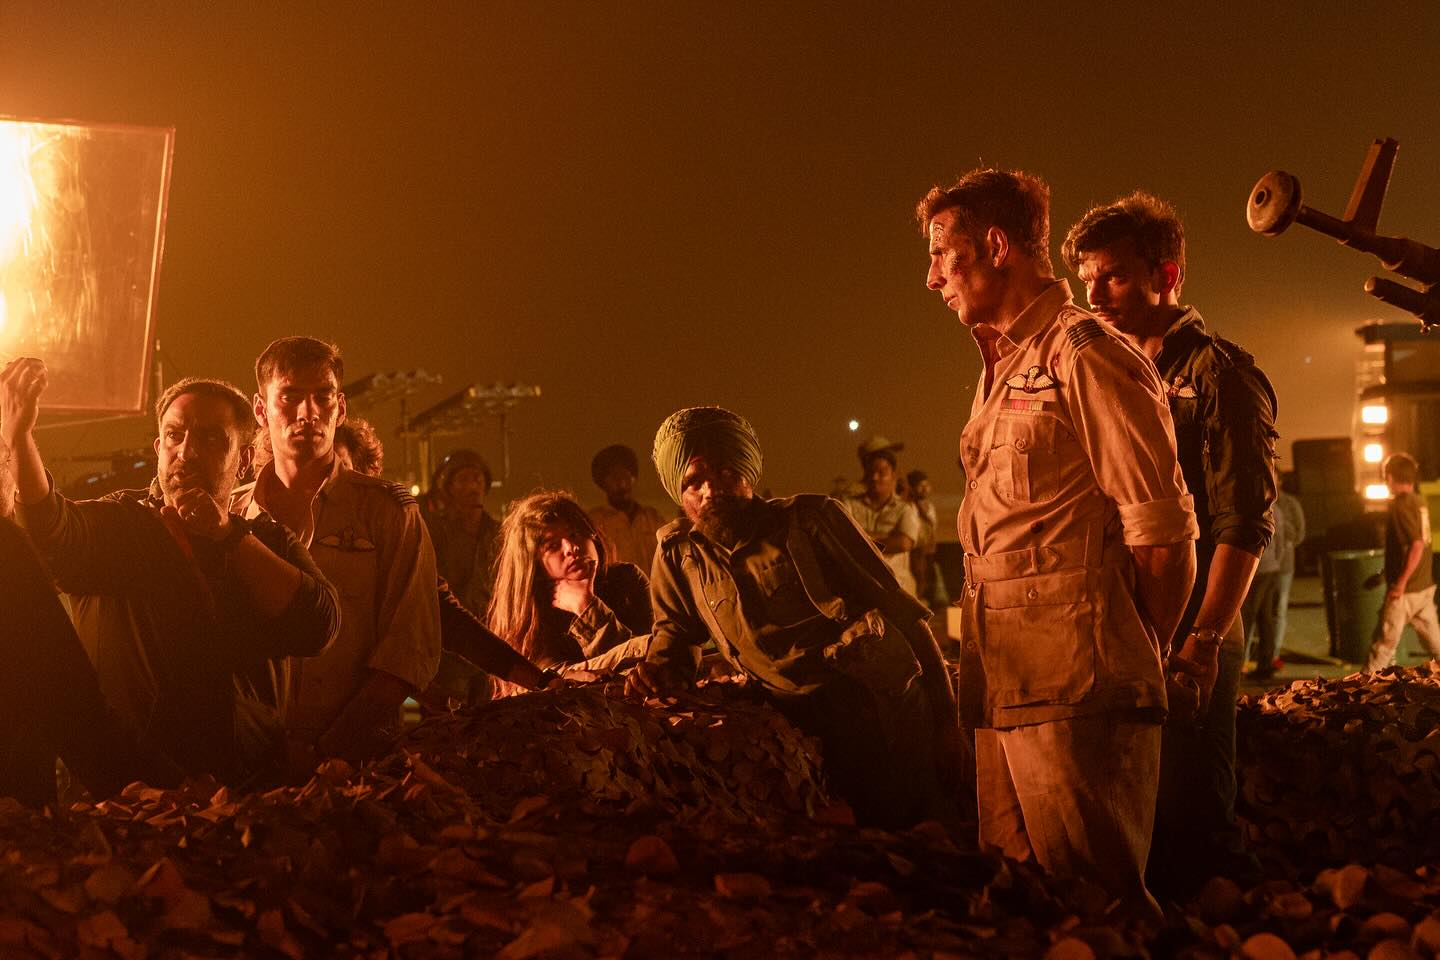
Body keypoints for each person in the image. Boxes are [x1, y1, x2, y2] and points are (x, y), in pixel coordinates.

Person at [919, 170, 1198, 910]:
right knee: (1024, 903)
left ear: (996, 246)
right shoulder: (1004, 366)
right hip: (1005, 680)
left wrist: (1134, 651)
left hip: (1078, 685)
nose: (932, 278)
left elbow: (1163, 533)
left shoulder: (1086, 356)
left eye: (943, 256)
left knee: (1097, 905)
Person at [1063, 191, 1278, 896]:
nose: (1095, 294)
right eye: (1087, 278)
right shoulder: (1103, 370)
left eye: (1115, 276)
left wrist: (1204, 642)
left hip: (1195, 620)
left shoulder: (1221, 376)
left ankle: (1238, 926)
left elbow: (1244, 521)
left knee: (1195, 811)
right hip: (1120, 618)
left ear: (1168, 275)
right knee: (1133, 807)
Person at [1, 358, 339, 795]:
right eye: (175, 436)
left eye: (210, 438)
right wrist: (20, 436)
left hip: (247, 798)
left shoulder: (266, 540)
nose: (187, 452)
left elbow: (318, 624)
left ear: (243, 460)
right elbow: (52, 530)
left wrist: (228, 536)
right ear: (158, 448)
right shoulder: (122, 525)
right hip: (130, 798)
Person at [628, 406, 960, 831]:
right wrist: (653, 676)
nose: (710, 490)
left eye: (725, 471)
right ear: (680, 491)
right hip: (796, 733)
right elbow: (674, 642)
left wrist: (947, 724)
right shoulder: (679, 555)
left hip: (880, 715)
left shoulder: (811, 521)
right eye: (693, 481)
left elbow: (906, 615)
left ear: (748, 473)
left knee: (918, 836)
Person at [232, 337, 440, 766]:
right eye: (290, 396)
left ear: (340, 408)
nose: (307, 412)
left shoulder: (387, 513)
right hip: (245, 759)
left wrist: (326, 751)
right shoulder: (231, 514)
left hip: (359, 764)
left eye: (322, 396)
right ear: (261, 410)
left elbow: (408, 652)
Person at [329, 419, 562, 701]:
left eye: (339, 465)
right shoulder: (283, 537)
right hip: (302, 715)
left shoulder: (392, 541)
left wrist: (538, 679)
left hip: (459, 662)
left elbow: (442, 613)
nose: (325, 477)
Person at [490, 491, 652, 672]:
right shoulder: (532, 615)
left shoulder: (626, 580)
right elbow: (558, 679)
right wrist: (588, 610)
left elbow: (654, 660)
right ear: (534, 565)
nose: (571, 548)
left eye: (575, 534)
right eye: (553, 545)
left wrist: (586, 606)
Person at [1365, 453, 1440, 672]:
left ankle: (1364, 688)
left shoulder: (1401, 505)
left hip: (1406, 593)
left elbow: (1416, 545)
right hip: (1424, 587)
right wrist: (1384, 574)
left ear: (1389, 477)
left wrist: (1400, 583)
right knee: (1436, 646)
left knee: (1382, 648)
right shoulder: (1418, 502)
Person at [1242, 472, 1306, 680]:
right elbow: (1280, 541)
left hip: (1261, 568)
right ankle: (1266, 661)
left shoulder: (1260, 506)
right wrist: (1277, 560)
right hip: (1272, 567)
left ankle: (1242, 662)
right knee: (1265, 616)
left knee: (1249, 615)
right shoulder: (1274, 507)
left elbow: (1290, 536)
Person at [426, 449, 503, 619]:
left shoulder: (500, 533)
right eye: (463, 480)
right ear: (449, 488)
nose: (472, 486)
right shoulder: (436, 532)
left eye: (477, 478)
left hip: (492, 624)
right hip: (450, 624)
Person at [842, 437, 921, 596]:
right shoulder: (849, 504)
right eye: (871, 472)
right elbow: (842, 539)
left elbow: (903, 543)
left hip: (897, 591)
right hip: (860, 590)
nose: (875, 477)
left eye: (882, 473)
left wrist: (862, 541)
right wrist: (885, 540)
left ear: (893, 474)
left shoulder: (906, 509)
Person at [588, 443, 666, 573]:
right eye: (614, 478)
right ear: (603, 483)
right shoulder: (595, 522)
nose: (621, 484)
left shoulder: (654, 518)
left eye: (625, 476)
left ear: (634, 478)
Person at [905, 469, 949, 612]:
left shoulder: (929, 506)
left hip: (928, 550)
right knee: (918, 577)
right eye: (920, 486)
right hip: (916, 550)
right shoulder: (908, 507)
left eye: (926, 485)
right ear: (912, 488)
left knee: (927, 578)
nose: (925, 489)